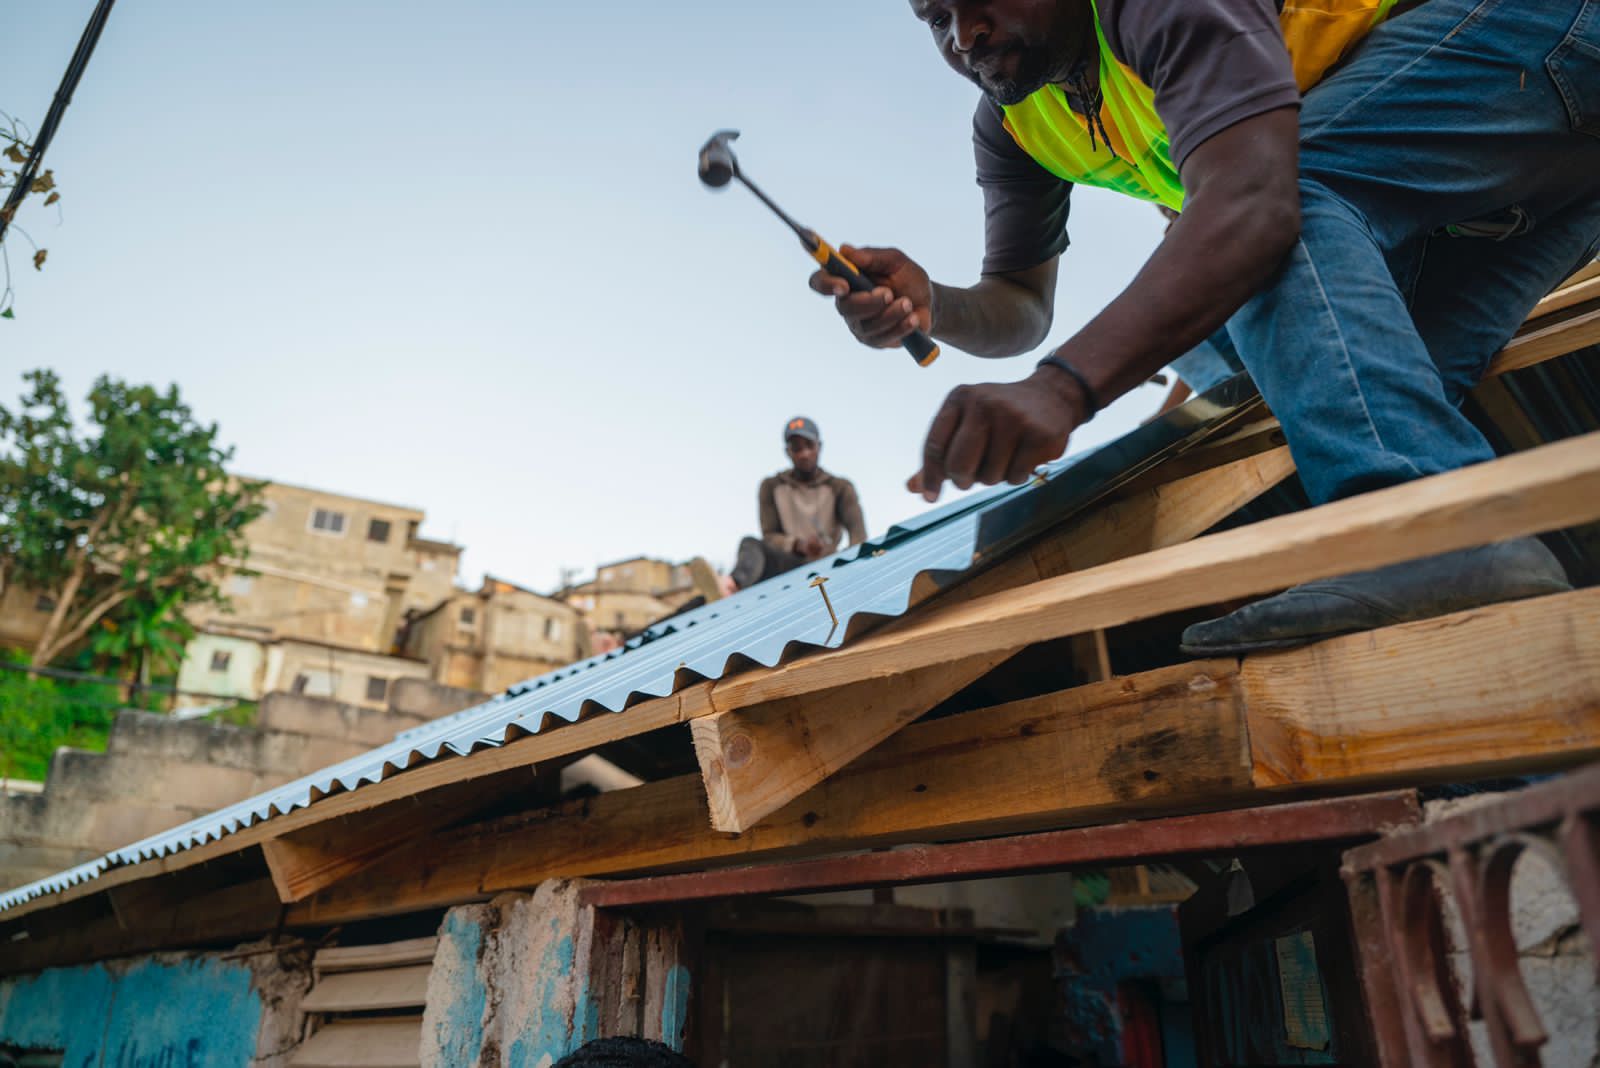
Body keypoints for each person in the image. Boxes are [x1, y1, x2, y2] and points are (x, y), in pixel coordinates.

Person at [810, 0, 1592, 652]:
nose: (963, 34)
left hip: (1544, 40)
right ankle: (1473, 609)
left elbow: (1254, 204)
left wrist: (1066, 389)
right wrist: (934, 305)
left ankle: (1431, 532)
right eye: (935, 17)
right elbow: (1020, 304)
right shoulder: (1017, 123)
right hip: (1527, 194)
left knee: (1274, 211)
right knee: (1259, 343)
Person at [729, 416, 867, 589]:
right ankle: (730, 586)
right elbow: (769, 536)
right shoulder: (772, 486)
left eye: (809, 446)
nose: (804, 454)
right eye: (797, 448)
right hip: (790, 566)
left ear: (819, 446)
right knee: (751, 545)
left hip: (830, 566)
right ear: (788, 452)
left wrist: (841, 561)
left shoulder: (840, 487)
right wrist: (798, 545)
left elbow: (859, 538)